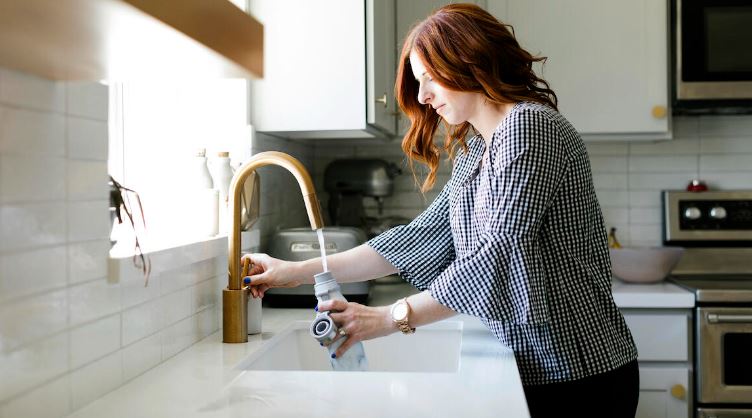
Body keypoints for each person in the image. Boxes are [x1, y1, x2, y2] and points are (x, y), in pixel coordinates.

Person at [243, 4, 639, 417]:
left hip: (579, 372)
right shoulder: (476, 149)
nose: (423, 96)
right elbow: (415, 241)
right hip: (533, 367)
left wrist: (390, 317)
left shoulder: (530, 126)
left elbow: (498, 255)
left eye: (430, 78)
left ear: (469, 60)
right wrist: (293, 272)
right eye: (418, 82)